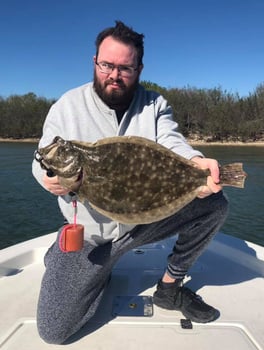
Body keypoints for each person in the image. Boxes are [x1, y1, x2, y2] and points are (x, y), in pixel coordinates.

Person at [32, 20, 228, 344]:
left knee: (215, 203)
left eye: (125, 68)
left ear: (138, 68)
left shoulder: (154, 105)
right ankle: (84, 267)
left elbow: (171, 141)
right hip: (92, 239)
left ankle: (169, 288)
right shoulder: (66, 107)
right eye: (107, 65)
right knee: (54, 331)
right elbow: (43, 159)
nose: (114, 75)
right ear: (95, 61)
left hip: (143, 223)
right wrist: (49, 179)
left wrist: (195, 164)